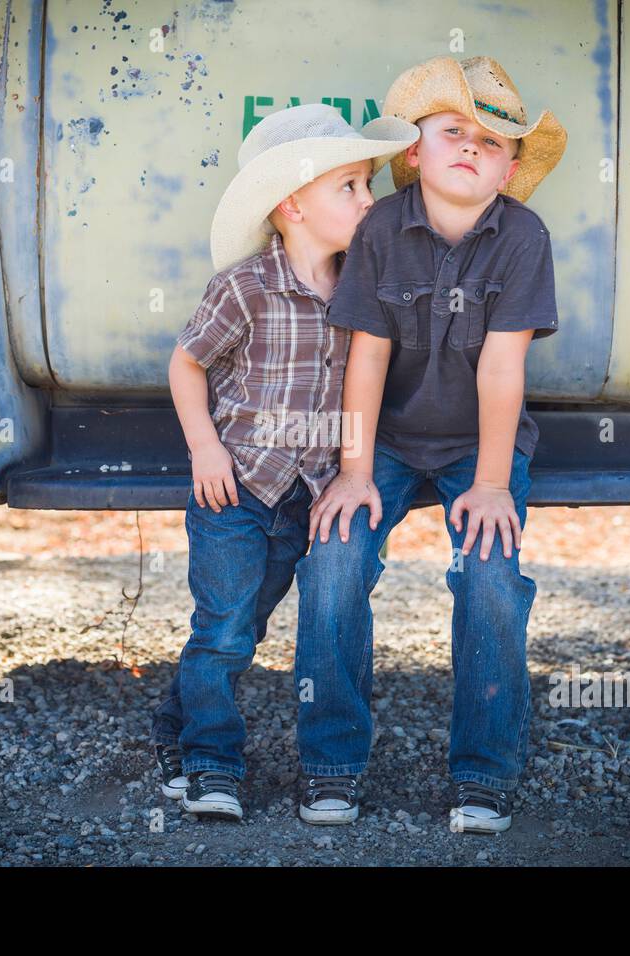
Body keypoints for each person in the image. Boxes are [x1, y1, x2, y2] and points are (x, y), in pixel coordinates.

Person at [293, 55, 567, 833]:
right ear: (415, 151)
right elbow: (366, 356)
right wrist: (352, 470)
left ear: (511, 168)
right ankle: (331, 767)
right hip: (382, 439)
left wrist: (489, 484)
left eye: (492, 140)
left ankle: (482, 775)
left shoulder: (522, 237)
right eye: (454, 131)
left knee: (488, 574)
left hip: (478, 443)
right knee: (335, 560)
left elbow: (503, 367)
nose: (472, 147)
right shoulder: (381, 228)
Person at [150, 103, 418, 820]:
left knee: (251, 623)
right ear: (292, 205)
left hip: (309, 492)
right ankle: (211, 762)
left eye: (368, 185)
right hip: (234, 490)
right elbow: (186, 365)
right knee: (226, 630)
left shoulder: (359, 290)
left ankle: (175, 730)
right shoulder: (244, 287)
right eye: (351, 187)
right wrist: (204, 446)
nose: (370, 201)